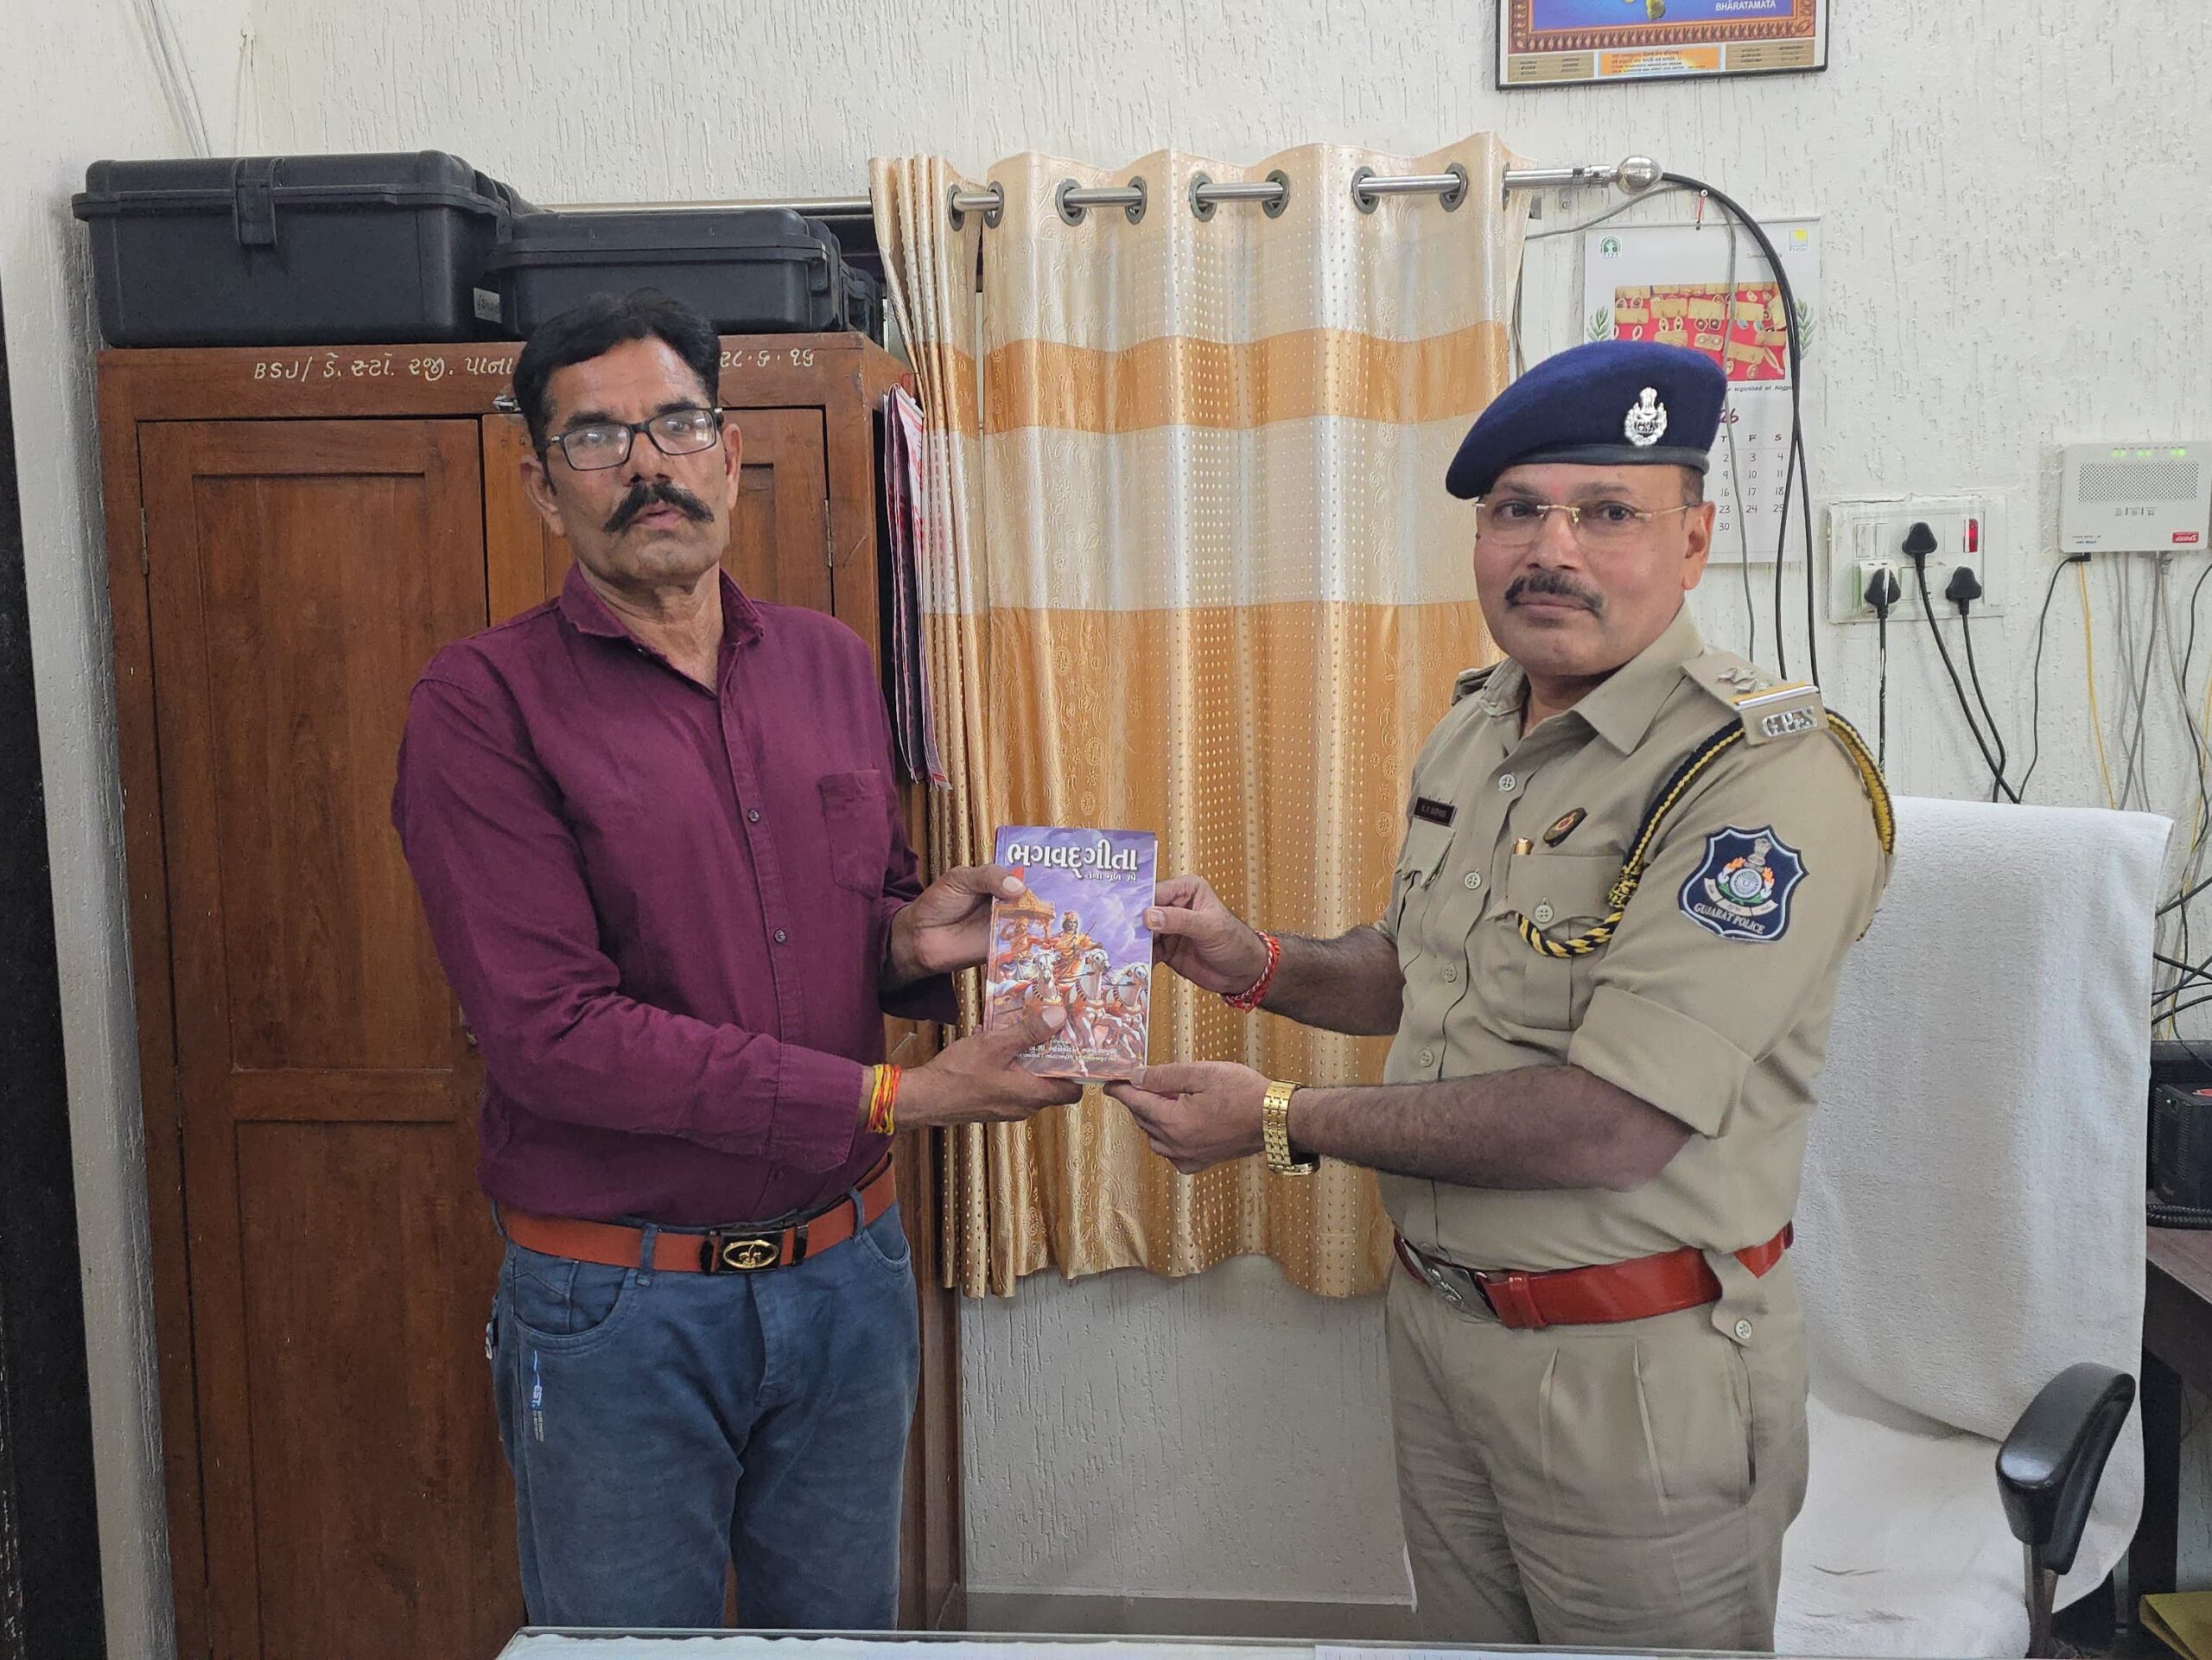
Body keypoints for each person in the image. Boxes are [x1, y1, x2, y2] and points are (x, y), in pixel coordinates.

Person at [1109, 340, 1894, 1652]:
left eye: (1608, 513)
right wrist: (1258, 962)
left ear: (1694, 542)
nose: (1551, 551)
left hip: (1635, 1372)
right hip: (1443, 1335)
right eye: (1517, 510)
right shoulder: (1483, 724)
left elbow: (1614, 1122)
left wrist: (1279, 1119)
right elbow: (1425, 970)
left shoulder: (1763, 777)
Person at [391, 289, 1079, 1631]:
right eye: (597, 439)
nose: (647, 465)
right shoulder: (480, 705)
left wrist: (912, 939)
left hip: (848, 1280)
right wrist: (891, 1096)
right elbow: (551, 1034)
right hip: (620, 1304)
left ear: (730, 451)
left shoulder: (827, 663)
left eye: (677, 424)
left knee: (835, 1641)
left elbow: (846, 913)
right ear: (542, 486)